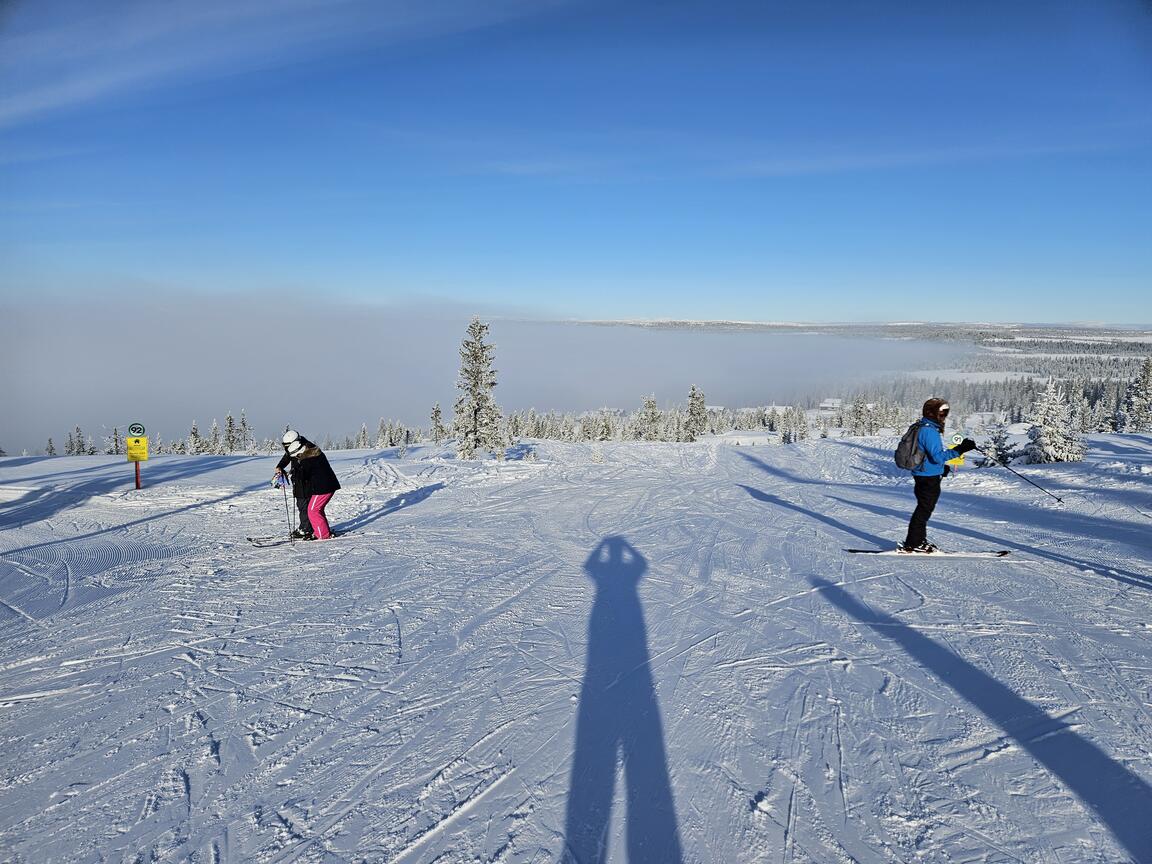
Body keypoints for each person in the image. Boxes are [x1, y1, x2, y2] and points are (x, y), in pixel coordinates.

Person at [901, 398, 976, 553]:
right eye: (941, 412)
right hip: (928, 478)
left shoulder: (924, 427)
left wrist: (942, 468)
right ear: (931, 412)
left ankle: (918, 541)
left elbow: (929, 456)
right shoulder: (929, 431)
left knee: (923, 509)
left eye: (945, 412)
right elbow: (937, 456)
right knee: (924, 510)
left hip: (925, 473)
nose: (943, 416)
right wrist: (960, 449)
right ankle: (914, 543)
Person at [288, 438, 341, 540]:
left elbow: (303, 476)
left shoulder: (307, 459)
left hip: (323, 488)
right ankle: (322, 530)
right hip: (327, 486)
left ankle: (322, 534)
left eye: (297, 456)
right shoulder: (313, 453)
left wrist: (293, 474)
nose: (297, 458)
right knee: (317, 509)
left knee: (313, 510)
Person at [274, 430, 315, 539]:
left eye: (288, 446)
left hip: (306, 482)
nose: (286, 448)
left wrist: (295, 472)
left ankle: (306, 528)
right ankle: (306, 527)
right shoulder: (293, 447)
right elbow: (287, 457)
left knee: (304, 505)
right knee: (301, 505)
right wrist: (280, 466)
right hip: (298, 481)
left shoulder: (307, 448)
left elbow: (307, 466)